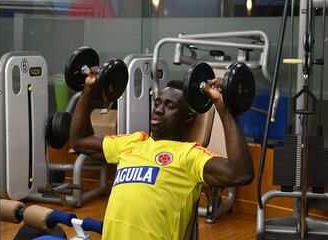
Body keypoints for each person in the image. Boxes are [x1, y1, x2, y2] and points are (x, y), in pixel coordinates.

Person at [69, 73, 254, 239]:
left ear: (188, 118)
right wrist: (88, 89)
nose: (158, 109)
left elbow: (240, 173)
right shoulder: (132, 143)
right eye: (157, 103)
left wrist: (224, 109)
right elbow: (79, 140)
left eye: (169, 105)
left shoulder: (189, 155)